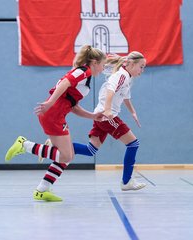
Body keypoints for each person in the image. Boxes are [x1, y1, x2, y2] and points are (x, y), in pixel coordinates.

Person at [5, 45, 106, 202]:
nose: (103, 68)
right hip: (53, 114)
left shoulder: (85, 77)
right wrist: (51, 102)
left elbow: (73, 106)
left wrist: (92, 116)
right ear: (94, 62)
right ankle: (24, 145)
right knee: (66, 155)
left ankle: (42, 190)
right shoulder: (83, 71)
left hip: (57, 115)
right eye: (102, 64)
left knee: (68, 156)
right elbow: (64, 83)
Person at [42, 52, 147, 191]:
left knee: (90, 150)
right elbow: (110, 90)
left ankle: (57, 146)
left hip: (101, 117)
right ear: (132, 64)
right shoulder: (121, 76)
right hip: (106, 116)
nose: (142, 70)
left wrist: (133, 112)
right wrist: (108, 110)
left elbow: (125, 97)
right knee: (133, 144)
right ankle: (126, 181)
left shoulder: (127, 77)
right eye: (141, 66)